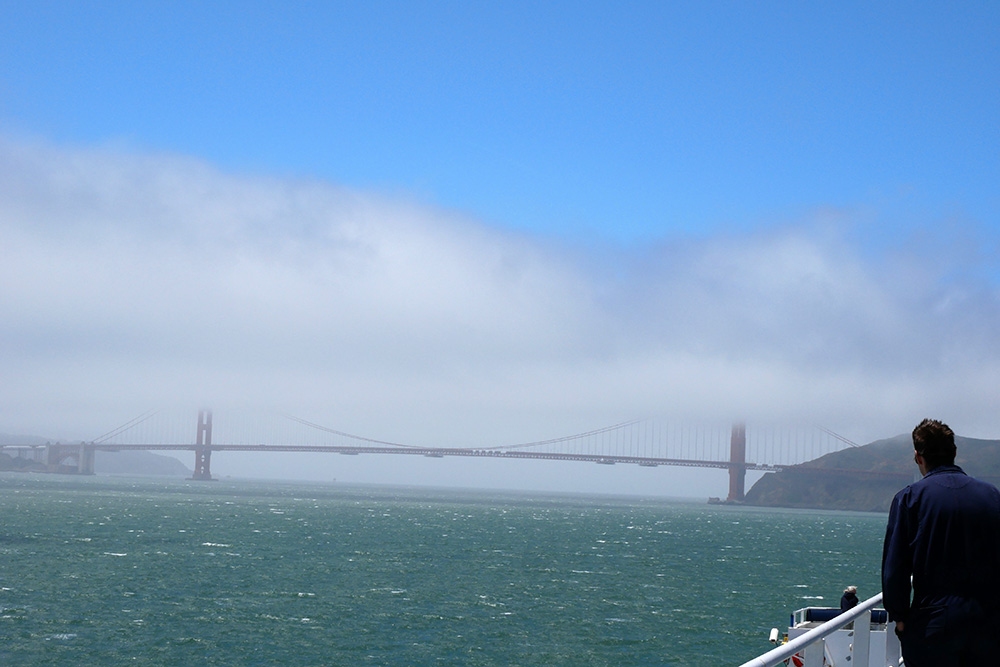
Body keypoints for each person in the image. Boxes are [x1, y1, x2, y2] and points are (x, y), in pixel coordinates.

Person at [881, 419, 1000, 666]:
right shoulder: (992, 496)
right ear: (954, 453)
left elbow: (895, 568)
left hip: (932, 623)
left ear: (918, 457)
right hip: (988, 622)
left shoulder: (909, 499)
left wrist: (900, 616)